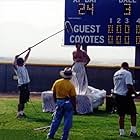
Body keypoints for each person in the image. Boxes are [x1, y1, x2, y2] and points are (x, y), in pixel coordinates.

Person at [47, 67, 76, 140]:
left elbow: (53, 93)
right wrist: (74, 106)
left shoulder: (57, 82)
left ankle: (51, 135)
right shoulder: (71, 85)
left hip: (59, 101)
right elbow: (73, 97)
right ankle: (64, 137)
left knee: (56, 120)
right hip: (68, 103)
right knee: (67, 121)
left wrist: (56, 101)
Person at [113, 62, 138, 137]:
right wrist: (135, 93)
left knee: (121, 115)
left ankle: (122, 133)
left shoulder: (116, 74)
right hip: (125, 96)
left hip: (117, 96)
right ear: (127, 67)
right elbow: (129, 86)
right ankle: (133, 132)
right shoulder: (127, 73)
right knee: (133, 114)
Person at [13, 48, 31, 118]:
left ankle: (22, 112)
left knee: (25, 99)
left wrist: (29, 51)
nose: (23, 62)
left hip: (26, 84)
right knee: (21, 99)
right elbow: (13, 65)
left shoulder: (23, 66)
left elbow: (26, 58)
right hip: (22, 85)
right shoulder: (17, 68)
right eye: (22, 61)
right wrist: (15, 58)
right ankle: (19, 113)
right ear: (19, 63)